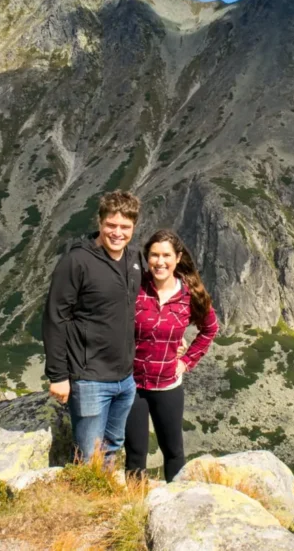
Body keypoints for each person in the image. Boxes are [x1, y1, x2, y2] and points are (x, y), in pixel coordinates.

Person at [42, 191, 143, 464]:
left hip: (125, 378)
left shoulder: (134, 260)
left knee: (112, 447)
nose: (117, 232)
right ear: (100, 222)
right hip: (90, 379)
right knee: (88, 456)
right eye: (111, 225)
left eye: (125, 227)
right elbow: (55, 317)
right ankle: (86, 502)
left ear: (134, 227)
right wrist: (58, 375)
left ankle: (104, 501)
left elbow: (142, 307)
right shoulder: (77, 262)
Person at [124, 228, 218, 482]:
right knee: (135, 452)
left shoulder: (190, 295)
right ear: (147, 258)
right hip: (131, 383)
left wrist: (186, 361)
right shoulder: (135, 286)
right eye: (154, 255)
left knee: (173, 451)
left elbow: (210, 328)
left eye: (166, 255)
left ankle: (176, 503)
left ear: (177, 258)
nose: (160, 262)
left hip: (167, 385)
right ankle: (134, 508)